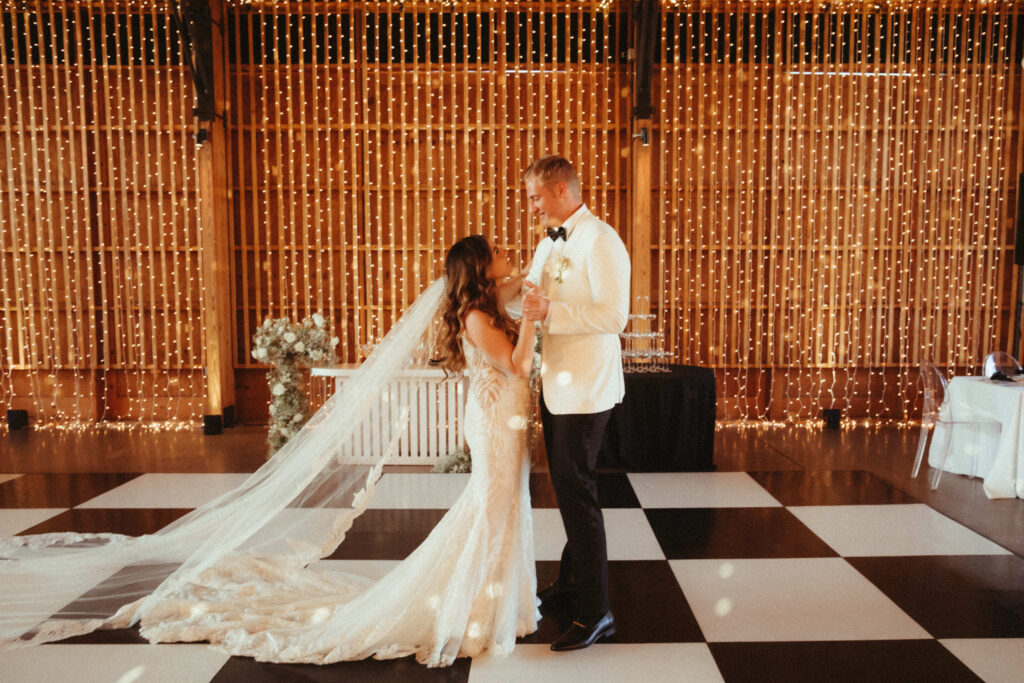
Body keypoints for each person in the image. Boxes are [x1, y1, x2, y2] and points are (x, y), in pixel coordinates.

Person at [0, 236, 539, 669]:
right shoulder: (477, 317)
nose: (504, 253)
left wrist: (538, 273)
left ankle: (496, 603)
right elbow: (516, 364)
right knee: (490, 511)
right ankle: (470, 606)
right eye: (496, 251)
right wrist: (534, 317)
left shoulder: (487, 302)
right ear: (479, 268)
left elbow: (522, 284)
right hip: (494, 425)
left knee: (505, 509)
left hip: (503, 422)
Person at [520, 155, 631, 651]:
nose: (532, 207)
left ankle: (596, 611)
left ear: (561, 190)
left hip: (587, 388)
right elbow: (531, 296)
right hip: (556, 383)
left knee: (578, 491)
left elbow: (614, 317)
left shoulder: (603, 240)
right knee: (567, 489)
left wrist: (552, 310)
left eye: (536, 197)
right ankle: (571, 584)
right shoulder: (549, 241)